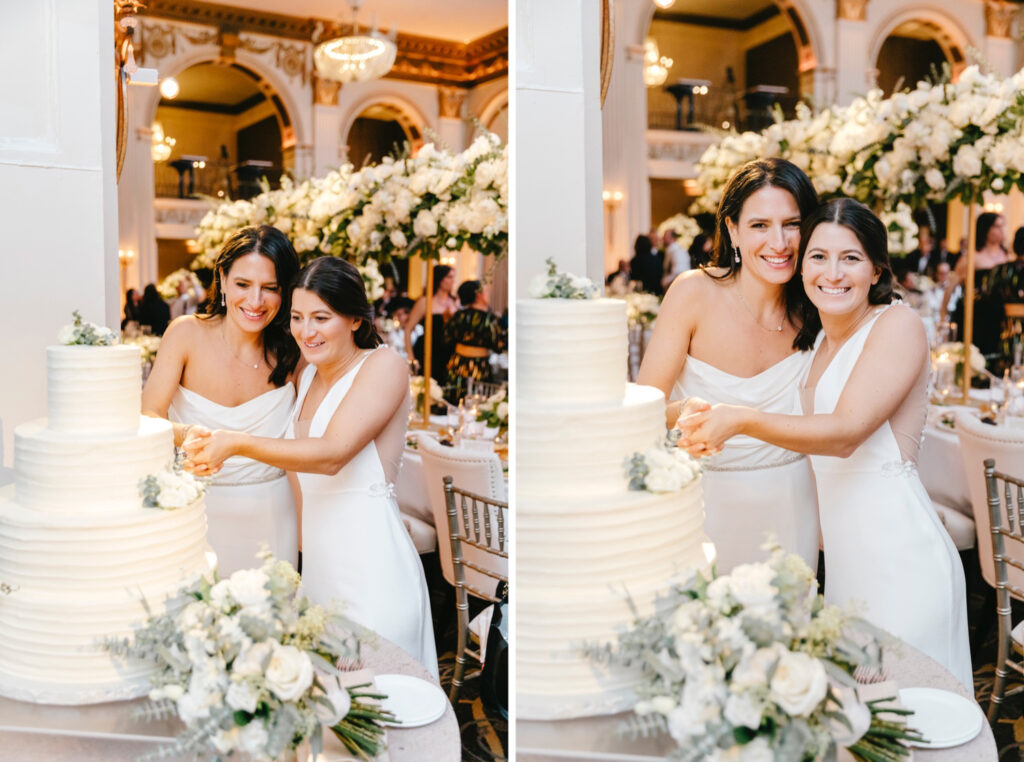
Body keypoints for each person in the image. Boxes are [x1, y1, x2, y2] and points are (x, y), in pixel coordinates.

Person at [678, 198, 972, 689]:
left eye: (850, 258)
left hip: (903, 560)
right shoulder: (815, 340)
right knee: (860, 727)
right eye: (818, 256)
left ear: (877, 267)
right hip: (845, 567)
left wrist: (743, 419)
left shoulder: (896, 324)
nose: (832, 273)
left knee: (913, 723)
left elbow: (843, 434)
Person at [183, 257, 438, 677]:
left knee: (382, 703)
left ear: (355, 319)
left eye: (321, 317)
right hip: (322, 570)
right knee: (329, 710)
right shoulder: (304, 377)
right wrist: (301, 558)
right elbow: (298, 476)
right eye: (298, 318)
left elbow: (332, 454)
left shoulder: (383, 366)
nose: (307, 331)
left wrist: (237, 443)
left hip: (372, 565)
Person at [637, 157, 821, 573]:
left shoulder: (819, 307)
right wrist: (684, 413)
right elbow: (641, 411)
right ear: (732, 230)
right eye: (760, 225)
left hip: (791, 507)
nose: (779, 242)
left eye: (792, 224)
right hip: (699, 507)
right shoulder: (693, 293)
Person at [142, 225, 301, 575]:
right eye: (244, 284)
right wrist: (186, 434)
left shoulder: (293, 353)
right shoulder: (185, 333)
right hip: (196, 512)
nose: (256, 302)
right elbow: (147, 415)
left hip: (273, 517)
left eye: (270, 289)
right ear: (223, 278)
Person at [947, 211, 1009, 357]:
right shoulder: (972, 256)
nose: (1001, 231)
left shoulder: (1007, 255)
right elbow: (951, 286)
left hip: (999, 314)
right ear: (986, 230)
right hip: (977, 314)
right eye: (997, 227)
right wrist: (944, 315)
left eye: (1002, 227)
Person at [445, 279, 507, 399]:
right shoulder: (490, 320)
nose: (489, 294)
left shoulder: (458, 316)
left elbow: (447, 339)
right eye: (486, 291)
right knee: (477, 401)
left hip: (457, 364)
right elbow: (499, 346)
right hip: (479, 367)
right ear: (478, 295)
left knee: (455, 399)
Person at [404, 264, 458, 386]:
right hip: (428, 351)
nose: (452, 281)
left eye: (453, 277)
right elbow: (408, 328)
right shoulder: (425, 302)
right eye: (449, 277)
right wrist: (411, 356)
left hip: (450, 354)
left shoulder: (455, 302)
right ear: (440, 279)